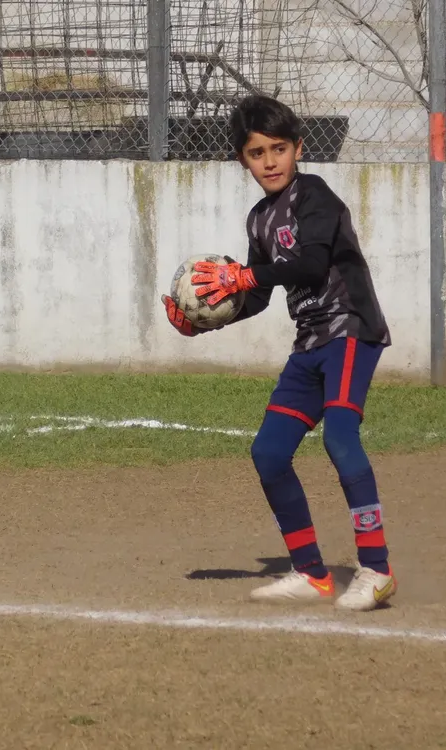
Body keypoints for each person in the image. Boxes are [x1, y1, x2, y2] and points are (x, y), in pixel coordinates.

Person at [162, 95, 396, 611]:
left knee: (340, 436)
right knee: (268, 453)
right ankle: (312, 573)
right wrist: (206, 318)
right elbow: (261, 294)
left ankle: (376, 569)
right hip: (310, 342)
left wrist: (241, 276)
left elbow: (311, 266)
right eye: (256, 152)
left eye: (279, 149)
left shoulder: (316, 196)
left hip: (350, 331)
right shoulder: (258, 220)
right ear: (241, 160)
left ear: (298, 149)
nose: (269, 161)